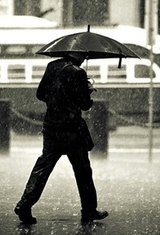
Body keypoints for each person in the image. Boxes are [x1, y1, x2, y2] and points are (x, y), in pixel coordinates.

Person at [14, 52, 108, 225]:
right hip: (71, 129)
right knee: (83, 171)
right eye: (83, 56)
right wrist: (87, 91)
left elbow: (40, 94)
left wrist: (56, 100)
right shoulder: (78, 72)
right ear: (77, 55)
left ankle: (24, 204)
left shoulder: (52, 66)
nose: (84, 59)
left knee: (43, 168)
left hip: (51, 126)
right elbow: (85, 105)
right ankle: (88, 211)